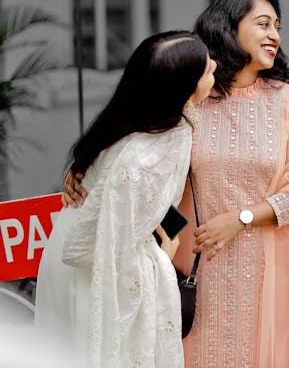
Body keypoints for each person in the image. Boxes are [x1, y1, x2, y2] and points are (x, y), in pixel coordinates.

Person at [63, 0, 289, 367]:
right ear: (229, 29)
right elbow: (143, 151)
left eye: (277, 27)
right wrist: (86, 168)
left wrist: (242, 218)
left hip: (266, 266)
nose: (275, 36)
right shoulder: (195, 99)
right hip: (195, 265)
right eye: (263, 24)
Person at [36, 31, 216, 367]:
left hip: (103, 242)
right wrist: (160, 255)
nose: (216, 67)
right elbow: (83, 247)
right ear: (183, 90)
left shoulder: (155, 119)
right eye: (207, 70)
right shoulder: (142, 158)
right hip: (91, 262)